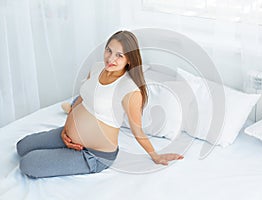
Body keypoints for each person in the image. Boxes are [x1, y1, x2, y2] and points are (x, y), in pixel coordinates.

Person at [16, 30, 183, 178]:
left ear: (129, 60)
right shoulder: (97, 68)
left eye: (119, 55)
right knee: (22, 147)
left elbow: (137, 130)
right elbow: (82, 98)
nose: (110, 58)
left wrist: (156, 156)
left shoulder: (129, 89)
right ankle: (65, 146)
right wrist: (66, 129)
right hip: (67, 135)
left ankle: (70, 157)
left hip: (94, 155)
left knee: (28, 164)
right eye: (109, 50)